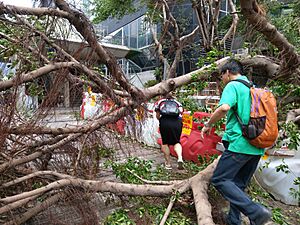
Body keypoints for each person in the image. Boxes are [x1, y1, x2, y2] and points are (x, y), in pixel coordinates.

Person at [201, 59, 272, 225]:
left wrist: (208, 124)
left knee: (220, 179)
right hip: (257, 146)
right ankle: (234, 220)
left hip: (240, 144)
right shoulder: (253, 88)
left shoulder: (233, 86)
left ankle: (256, 212)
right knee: (238, 185)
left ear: (227, 73)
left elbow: (224, 107)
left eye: (222, 76)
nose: (222, 79)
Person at [155, 93, 184, 170]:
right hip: (177, 122)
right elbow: (181, 114)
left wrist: (162, 120)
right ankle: (180, 158)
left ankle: (168, 164)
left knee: (165, 143)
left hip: (165, 122)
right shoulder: (178, 103)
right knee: (177, 142)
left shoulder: (160, 102)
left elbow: (157, 116)